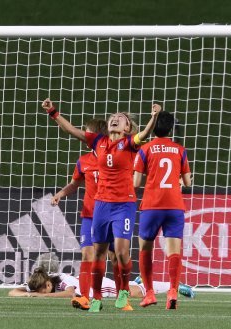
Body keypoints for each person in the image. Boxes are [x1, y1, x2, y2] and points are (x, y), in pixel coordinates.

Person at [43, 97, 161, 312]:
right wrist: (53, 112)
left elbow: (144, 134)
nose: (115, 118)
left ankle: (123, 291)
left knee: (122, 252)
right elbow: (72, 131)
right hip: (101, 206)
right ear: (107, 126)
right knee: (98, 253)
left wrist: (153, 118)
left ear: (127, 128)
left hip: (124, 205)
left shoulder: (129, 143)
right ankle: (95, 297)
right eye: (113, 117)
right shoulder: (98, 142)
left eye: (121, 118)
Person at [51, 118, 121, 310]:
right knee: (87, 254)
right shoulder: (84, 161)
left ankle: (122, 298)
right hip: (90, 216)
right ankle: (84, 297)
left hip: (111, 213)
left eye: (87, 132)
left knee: (115, 257)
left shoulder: (113, 157)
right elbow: (74, 184)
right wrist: (60, 194)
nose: (84, 134)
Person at [133, 111, 192, 309]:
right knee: (174, 252)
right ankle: (173, 291)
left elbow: (136, 182)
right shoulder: (180, 150)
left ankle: (149, 293)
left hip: (152, 205)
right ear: (170, 129)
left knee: (145, 249)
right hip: (174, 205)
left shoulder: (145, 149)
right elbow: (187, 182)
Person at [8, 268, 194, 301]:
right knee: (133, 289)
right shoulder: (37, 282)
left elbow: (71, 294)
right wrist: (26, 293)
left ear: (48, 283)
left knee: (137, 293)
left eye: (45, 289)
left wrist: (41, 296)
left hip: (99, 288)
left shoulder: (61, 281)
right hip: (94, 289)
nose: (44, 291)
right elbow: (12, 292)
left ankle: (175, 286)